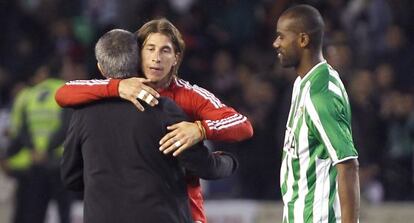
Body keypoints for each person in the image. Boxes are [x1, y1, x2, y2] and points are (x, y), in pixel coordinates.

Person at [55, 18, 253, 222]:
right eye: (150, 49)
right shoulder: (117, 88)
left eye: (165, 50)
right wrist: (117, 88)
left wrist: (200, 129)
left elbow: (242, 125)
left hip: (181, 208)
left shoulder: (190, 95)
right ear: (137, 53)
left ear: (176, 58)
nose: (156, 58)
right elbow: (63, 93)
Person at [273, 5, 360, 223]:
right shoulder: (302, 83)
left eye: (282, 37)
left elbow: (347, 165)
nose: (276, 43)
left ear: (303, 40)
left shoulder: (321, 95)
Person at [1, 60, 73, 223]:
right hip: (57, 161)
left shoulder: (31, 94)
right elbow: (66, 127)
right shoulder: (65, 91)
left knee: (35, 212)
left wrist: (35, 149)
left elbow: (23, 129)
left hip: (35, 162)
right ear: (61, 71)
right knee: (64, 212)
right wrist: (46, 150)